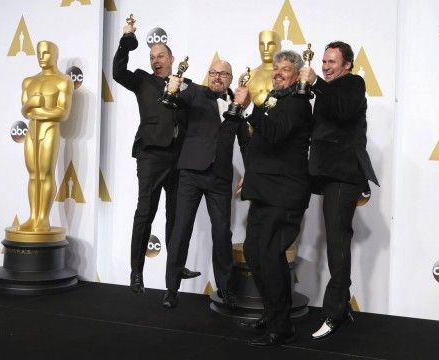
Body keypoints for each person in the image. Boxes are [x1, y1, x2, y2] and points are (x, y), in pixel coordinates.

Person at [299, 41, 379, 339]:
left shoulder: (353, 84)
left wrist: (317, 83)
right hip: (326, 174)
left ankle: (335, 313)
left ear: (347, 65)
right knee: (335, 241)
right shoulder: (327, 90)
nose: (325, 66)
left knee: (337, 242)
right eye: (323, 61)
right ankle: (341, 306)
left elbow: (344, 112)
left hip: (345, 176)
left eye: (332, 62)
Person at [112, 22, 199, 294]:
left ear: (172, 59)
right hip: (151, 155)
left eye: (161, 56)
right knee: (145, 213)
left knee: (176, 215)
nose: (155, 60)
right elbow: (117, 72)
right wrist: (127, 40)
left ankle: (176, 265)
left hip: (180, 157)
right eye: (152, 57)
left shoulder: (187, 85)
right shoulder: (141, 80)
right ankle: (136, 272)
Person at [235, 50, 312, 346]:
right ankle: (273, 313)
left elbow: (276, 134)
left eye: (286, 69)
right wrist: (250, 174)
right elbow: (265, 143)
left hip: (283, 193)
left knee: (269, 256)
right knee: (256, 253)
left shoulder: (297, 103)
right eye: (276, 68)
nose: (278, 72)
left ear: (298, 74)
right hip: (265, 189)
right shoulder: (277, 101)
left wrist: (250, 108)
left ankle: (282, 326)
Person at [162, 60, 250, 309]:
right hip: (190, 172)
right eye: (213, 72)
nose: (217, 77)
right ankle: (171, 288)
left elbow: (244, 140)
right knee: (181, 230)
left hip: (220, 177)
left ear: (231, 78)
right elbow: (173, 102)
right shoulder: (194, 93)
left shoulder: (238, 103)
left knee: (222, 233)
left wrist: (250, 171)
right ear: (208, 75)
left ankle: (224, 288)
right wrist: (171, 88)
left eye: (223, 74)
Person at [18, 40, 73, 232]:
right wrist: (33, 102)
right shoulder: (28, 81)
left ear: (55, 55)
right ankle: (33, 216)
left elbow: (62, 113)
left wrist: (35, 109)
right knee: (33, 175)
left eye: (46, 53)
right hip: (32, 131)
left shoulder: (63, 81)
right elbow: (24, 111)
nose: (42, 57)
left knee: (45, 174)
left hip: (49, 130)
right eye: (39, 53)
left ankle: (43, 219)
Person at [247, 30, 281, 106]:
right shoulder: (247, 77)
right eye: (262, 44)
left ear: (278, 46)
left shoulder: (287, 77)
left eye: (270, 44)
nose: (265, 49)